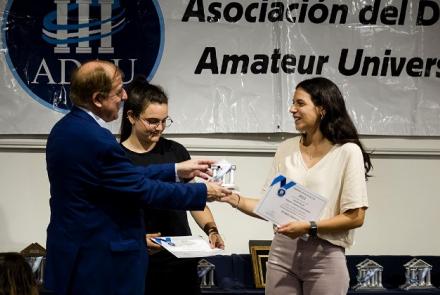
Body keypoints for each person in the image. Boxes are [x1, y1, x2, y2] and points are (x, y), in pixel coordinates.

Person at [44, 60, 231, 295]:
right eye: (118, 91)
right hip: (97, 264)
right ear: (98, 99)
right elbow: (141, 188)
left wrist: (174, 170)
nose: (124, 96)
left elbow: (118, 176)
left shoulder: (65, 129)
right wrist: (204, 192)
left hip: (76, 253)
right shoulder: (95, 139)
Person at [221, 77, 372, 295]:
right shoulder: (286, 148)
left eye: (300, 103)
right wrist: (233, 199)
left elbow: (356, 217)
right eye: (293, 103)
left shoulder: (347, 151)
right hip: (282, 253)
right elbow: (269, 206)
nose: (292, 109)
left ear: (322, 108)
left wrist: (309, 227)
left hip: (325, 256)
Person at [119, 76, 224, 294]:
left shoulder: (176, 152)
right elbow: (109, 213)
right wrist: (136, 239)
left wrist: (212, 230)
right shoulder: (117, 157)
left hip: (181, 262)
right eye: (152, 121)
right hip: (140, 263)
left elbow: (193, 199)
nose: (159, 128)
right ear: (131, 117)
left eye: (164, 121)